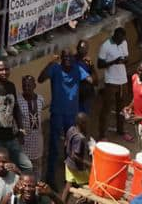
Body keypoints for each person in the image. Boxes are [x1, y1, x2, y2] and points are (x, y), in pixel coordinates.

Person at [38, 50, 82, 186]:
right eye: (65, 57)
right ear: (61, 59)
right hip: (57, 113)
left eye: (70, 57)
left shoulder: (77, 69)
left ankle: (70, 178)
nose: (68, 59)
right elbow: (40, 79)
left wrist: (90, 66)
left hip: (72, 114)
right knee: (54, 147)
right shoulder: (55, 69)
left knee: (71, 147)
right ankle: (51, 179)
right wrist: (50, 63)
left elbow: (93, 80)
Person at [96, 27, 132, 142]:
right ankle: (102, 135)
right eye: (119, 39)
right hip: (111, 81)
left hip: (123, 80)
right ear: (114, 36)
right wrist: (113, 62)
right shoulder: (105, 46)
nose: (121, 41)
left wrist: (123, 60)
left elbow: (126, 58)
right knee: (106, 108)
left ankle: (121, 131)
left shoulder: (124, 42)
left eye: (122, 39)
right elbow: (100, 65)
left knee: (122, 108)